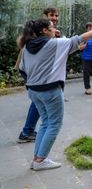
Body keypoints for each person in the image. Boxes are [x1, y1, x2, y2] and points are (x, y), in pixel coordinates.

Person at [19, 18, 92, 170]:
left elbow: (22, 70)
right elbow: (79, 39)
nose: (55, 28)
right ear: (44, 30)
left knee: (46, 122)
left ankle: (37, 158)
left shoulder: (26, 47)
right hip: (50, 90)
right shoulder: (54, 44)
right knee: (54, 124)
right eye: (52, 26)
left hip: (33, 91)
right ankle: (40, 160)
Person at [18, 8, 62, 143]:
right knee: (38, 104)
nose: (54, 18)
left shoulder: (45, 31)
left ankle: (28, 130)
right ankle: (27, 131)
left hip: (35, 74)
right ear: (44, 16)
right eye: (51, 15)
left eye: (56, 15)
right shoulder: (39, 32)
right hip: (35, 75)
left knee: (37, 103)